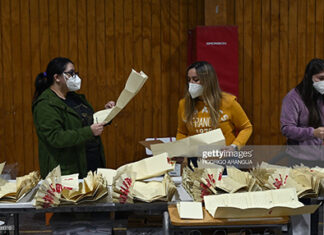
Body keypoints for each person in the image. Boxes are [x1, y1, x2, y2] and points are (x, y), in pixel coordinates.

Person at [32, 57, 115, 178]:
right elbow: (55, 137)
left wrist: (107, 113)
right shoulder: (45, 104)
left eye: (75, 73)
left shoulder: (74, 98)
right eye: (71, 73)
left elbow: (88, 120)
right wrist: (89, 131)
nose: (75, 77)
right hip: (68, 169)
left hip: (91, 161)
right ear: (57, 78)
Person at [176, 61, 253, 166]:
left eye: (196, 79)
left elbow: (246, 127)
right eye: (189, 80)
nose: (191, 84)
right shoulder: (184, 104)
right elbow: (182, 132)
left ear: (208, 81)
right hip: (196, 159)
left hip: (225, 159)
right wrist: (180, 150)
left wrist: (235, 146)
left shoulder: (228, 102)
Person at [281, 58, 324, 167]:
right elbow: (286, 129)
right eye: (321, 78)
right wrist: (313, 133)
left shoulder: (321, 96)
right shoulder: (293, 98)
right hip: (300, 159)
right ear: (309, 77)